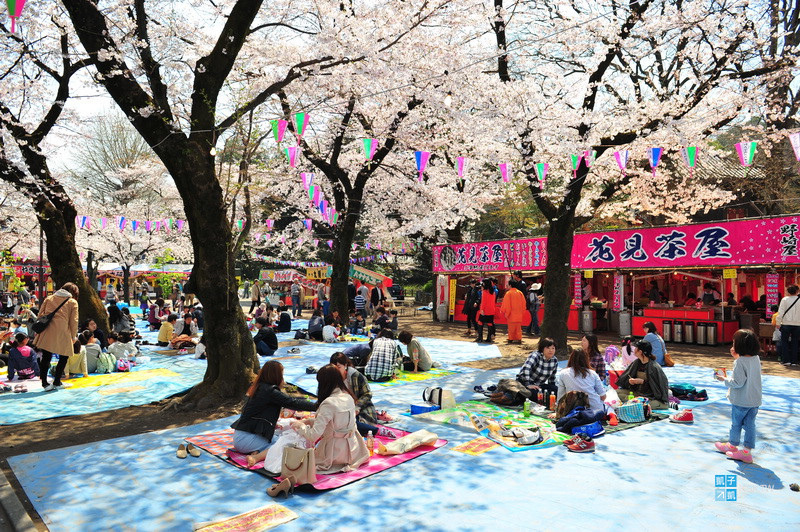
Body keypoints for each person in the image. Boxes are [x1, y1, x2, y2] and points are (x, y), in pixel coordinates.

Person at [230, 361, 317, 467]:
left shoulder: (261, 387)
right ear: (275, 375)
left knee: (284, 429)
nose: (283, 378)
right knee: (288, 443)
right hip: (245, 440)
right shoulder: (269, 391)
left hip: (242, 437)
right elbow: (292, 402)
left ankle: (257, 452)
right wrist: (318, 406)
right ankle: (255, 457)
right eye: (281, 374)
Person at [290, 365, 370, 474]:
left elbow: (313, 436)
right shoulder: (348, 397)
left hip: (334, 455)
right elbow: (337, 425)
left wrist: (301, 426)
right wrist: (309, 422)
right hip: (354, 450)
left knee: (293, 459)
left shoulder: (329, 403)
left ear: (324, 383)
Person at [714, 329, 762, 464]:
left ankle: (732, 445)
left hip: (741, 401)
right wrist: (737, 357)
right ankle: (747, 451)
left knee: (736, 424)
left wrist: (723, 379)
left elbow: (737, 383)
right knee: (750, 425)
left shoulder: (740, 362)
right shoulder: (756, 358)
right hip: (754, 400)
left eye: (734, 342)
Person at [329, 352, 390, 437]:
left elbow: (367, 393)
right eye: (334, 368)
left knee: (350, 425)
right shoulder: (331, 376)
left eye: (339, 367)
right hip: (341, 409)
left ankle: (378, 431)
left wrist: (357, 407)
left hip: (360, 408)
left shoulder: (355, 376)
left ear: (345, 365)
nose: (336, 370)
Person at [33, 282, 79, 391]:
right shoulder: (72, 302)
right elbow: (74, 321)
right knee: (64, 356)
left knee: (46, 357)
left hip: (47, 330)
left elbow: (40, 315)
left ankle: (45, 383)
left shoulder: (49, 299)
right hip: (64, 331)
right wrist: (73, 336)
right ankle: (57, 381)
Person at [615, 340, 670, 409]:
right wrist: (631, 381)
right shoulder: (637, 363)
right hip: (638, 392)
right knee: (615, 393)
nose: (634, 349)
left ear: (640, 352)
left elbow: (658, 387)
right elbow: (627, 376)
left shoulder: (654, 367)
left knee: (641, 405)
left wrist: (642, 382)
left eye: (636, 348)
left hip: (650, 397)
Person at [555, 347, 608, 416]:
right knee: (608, 407)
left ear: (571, 358)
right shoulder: (592, 373)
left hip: (572, 411)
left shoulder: (563, 373)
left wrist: (557, 411)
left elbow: (560, 396)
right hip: (594, 411)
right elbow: (603, 395)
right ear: (586, 359)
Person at [776, 284, 800, 367]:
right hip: (797, 324)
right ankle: (794, 361)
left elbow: (780, 312)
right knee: (795, 342)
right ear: (797, 291)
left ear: (788, 291)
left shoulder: (785, 299)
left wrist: (778, 323)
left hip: (786, 323)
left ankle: (786, 360)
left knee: (784, 342)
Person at [476, 279, 496, 343]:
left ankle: (480, 337)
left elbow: (483, 302)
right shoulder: (493, 292)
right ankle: (489, 338)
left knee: (480, 322)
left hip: (485, 310)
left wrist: (481, 309)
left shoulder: (484, 292)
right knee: (489, 323)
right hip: (491, 310)